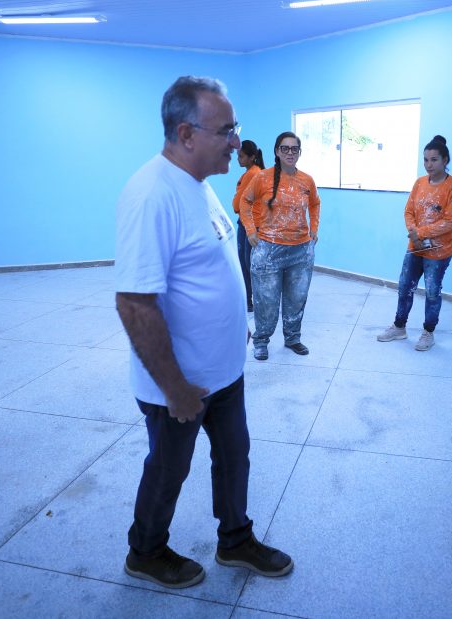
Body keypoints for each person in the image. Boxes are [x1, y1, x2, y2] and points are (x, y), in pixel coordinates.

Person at [115, 76, 293, 590]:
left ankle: (235, 539)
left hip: (223, 373)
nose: (237, 141)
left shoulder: (199, 184)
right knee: (169, 470)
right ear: (187, 134)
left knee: (234, 456)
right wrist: (173, 388)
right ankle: (145, 551)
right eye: (228, 130)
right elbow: (134, 303)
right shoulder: (151, 195)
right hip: (181, 385)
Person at [376, 135, 452, 351]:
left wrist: (420, 232)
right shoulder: (419, 183)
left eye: (434, 160)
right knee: (405, 286)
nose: (429, 165)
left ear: (445, 160)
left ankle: (428, 332)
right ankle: (399, 327)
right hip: (415, 247)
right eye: (425, 160)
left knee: (432, 291)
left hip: (439, 251)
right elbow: (408, 210)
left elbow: (449, 221)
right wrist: (413, 232)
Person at [239, 131, 320, 361]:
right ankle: (261, 340)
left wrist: (314, 230)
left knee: (297, 298)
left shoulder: (307, 180)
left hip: (301, 251)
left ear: (299, 152)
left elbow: (315, 204)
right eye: (285, 148)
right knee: (266, 301)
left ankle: (293, 338)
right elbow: (245, 202)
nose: (290, 152)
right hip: (268, 251)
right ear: (276, 151)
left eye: (294, 149)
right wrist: (251, 231)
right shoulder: (262, 178)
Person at [233, 140, 266, 312]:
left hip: (251, 225)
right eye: (238, 155)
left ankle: (250, 300)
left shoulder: (253, 174)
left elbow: (239, 203)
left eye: (241, 156)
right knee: (248, 263)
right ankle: (249, 300)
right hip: (249, 223)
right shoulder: (254, 172)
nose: (238, 159)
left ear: (252, 157)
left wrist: (236, 207)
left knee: (249, 264)